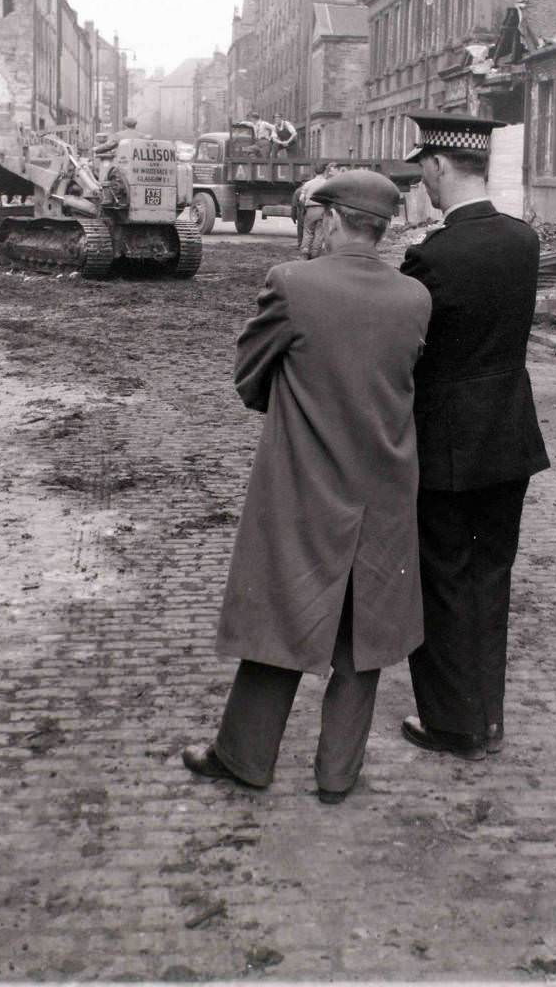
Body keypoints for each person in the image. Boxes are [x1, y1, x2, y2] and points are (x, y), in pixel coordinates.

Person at [182, 170, 431, 804]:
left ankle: (244, 757)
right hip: (384, 489)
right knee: (363, 631)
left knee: (278, 618)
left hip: (302, 486)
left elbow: (249, 380)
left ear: (330, 219)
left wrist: (296, 402)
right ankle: (337, 775)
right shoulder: (415, 297)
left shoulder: (293, 284)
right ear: (379, 227)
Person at [398, 110, 551, 761]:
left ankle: (454, 725)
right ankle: (488, 716)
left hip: (446, 445)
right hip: (511, 435)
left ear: (437, 166)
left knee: (443, 578)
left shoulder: (430, 257)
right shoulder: (524, 242)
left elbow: (409, 353)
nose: (422, 185)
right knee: (491, 576)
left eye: (422, 171)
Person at [299, 162, 337, 260]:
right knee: (319, 233)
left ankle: (304, 252)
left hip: (310, 210)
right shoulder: (327, 183)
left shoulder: (308, 183)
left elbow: (301, 199)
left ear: (315, 172)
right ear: (325, 171)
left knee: (308, 231)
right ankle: (315, 254)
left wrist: (305, 207)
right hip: (323, 210)